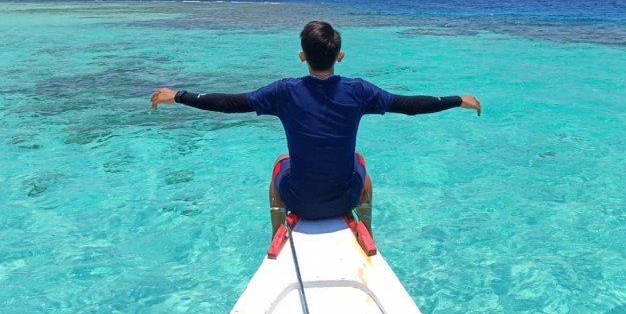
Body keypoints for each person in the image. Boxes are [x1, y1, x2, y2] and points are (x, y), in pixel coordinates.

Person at [151, 20, 481, 239]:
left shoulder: (283, 92)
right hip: (346, 199)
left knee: (280, 162)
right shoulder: (359, 91)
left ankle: (278, 231)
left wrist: (179, 96)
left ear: (301, 57)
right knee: (360, 163)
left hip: (298, 201)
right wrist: (456, 99)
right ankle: (364, 228)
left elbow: (229, 103)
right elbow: (409, 106)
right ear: (340, 56)